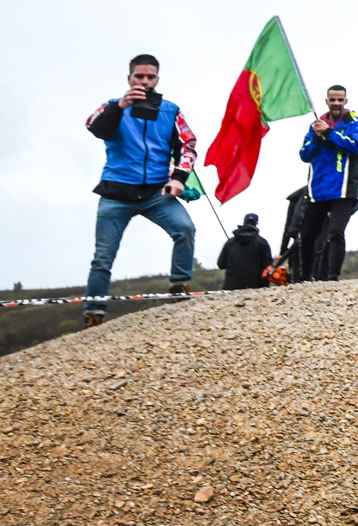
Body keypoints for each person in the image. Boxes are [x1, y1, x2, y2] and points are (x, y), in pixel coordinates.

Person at [82, 54, 198, 328]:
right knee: (103, 257)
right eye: (139, 76)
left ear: (157, 79)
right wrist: (120, 106)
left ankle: (179, 286)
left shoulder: (170, 110)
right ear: (129, 78)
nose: (145, 81)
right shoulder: (112, 106)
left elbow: (188, 144)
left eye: (150, 77)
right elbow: (94, 128)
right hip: (116, 193)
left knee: (185, 228)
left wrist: (179, 179)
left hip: (156, 192)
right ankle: (94, 312)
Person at [297, 85, 358, 281]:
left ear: (346, 101)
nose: (336, 103)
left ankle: (333, 277)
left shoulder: (354, 122)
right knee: (307, 236)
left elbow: (355, 146)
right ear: (326, 101)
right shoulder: (315, 124)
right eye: (332, 100)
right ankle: (304, 279)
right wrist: (317, 138)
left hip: (343, 190)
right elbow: (304, 154)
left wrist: (329, 133)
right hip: (318, 190)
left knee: (335, 232)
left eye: (340, 100)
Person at [218, 212, 275, 290]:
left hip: (230, 288)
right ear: (256, 224)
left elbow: (221, 264)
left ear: (244, 223)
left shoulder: (230, 243)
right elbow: (268, 267)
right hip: (255, 288)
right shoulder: (262, 243)